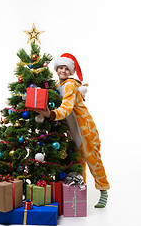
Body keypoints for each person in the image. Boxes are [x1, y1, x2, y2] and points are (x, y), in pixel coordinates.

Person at [35, 53, 110, 208]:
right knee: (77, 163)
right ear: (56, 69)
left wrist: (51, 114)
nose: (63, 71)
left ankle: (103, 190)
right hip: (72, 132)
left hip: (85, 130)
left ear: (70, 72)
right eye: (61, 67)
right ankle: (79, 196)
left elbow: (67, 107)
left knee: (93, 160)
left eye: (66, 68)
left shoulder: (70, 85)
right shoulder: (57, 87)